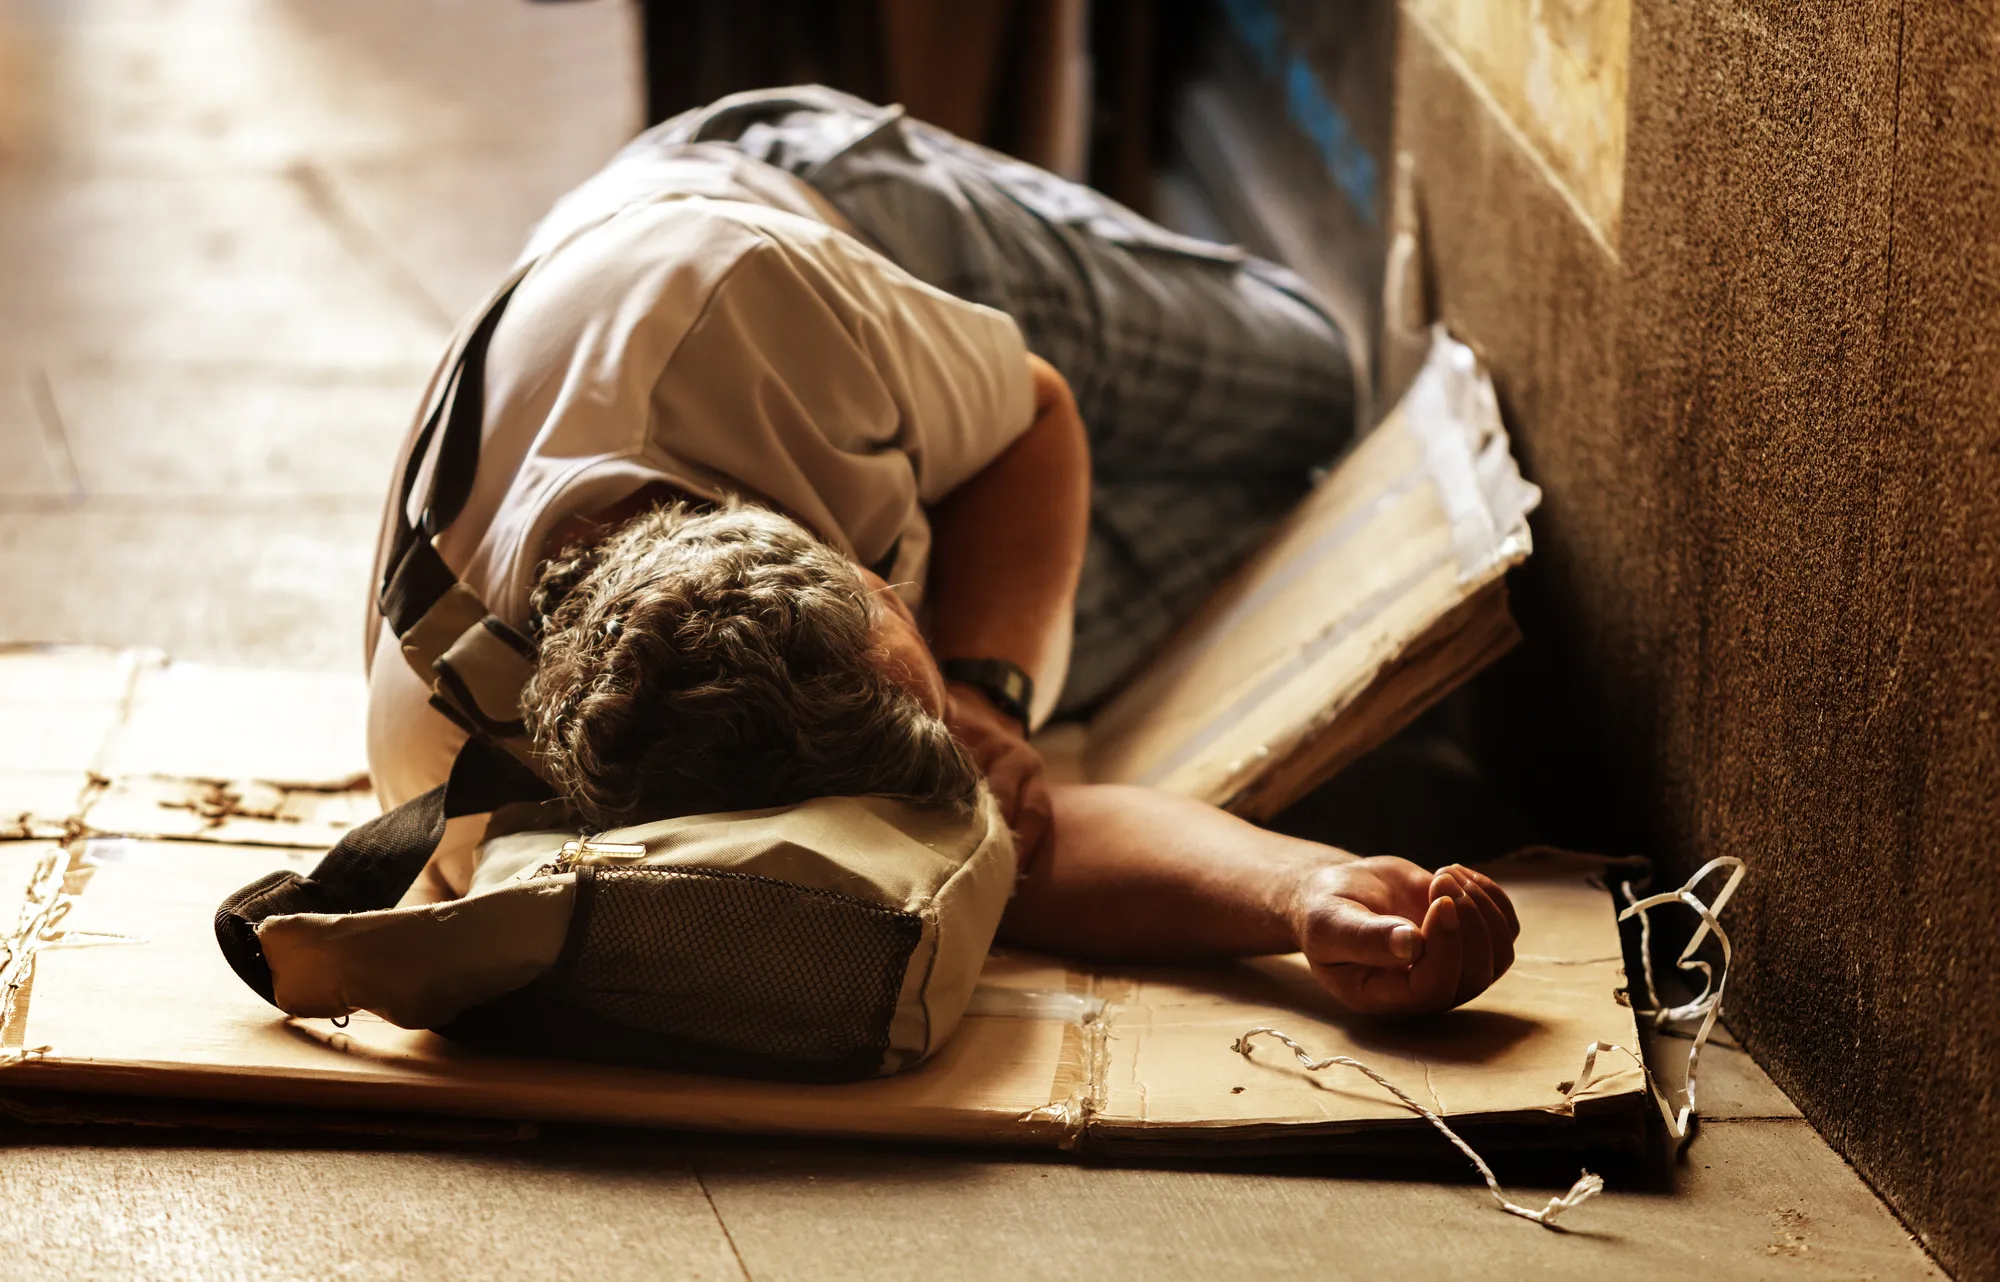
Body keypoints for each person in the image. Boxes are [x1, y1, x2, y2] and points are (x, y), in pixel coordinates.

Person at [365, 87, 1518, 1016]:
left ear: (823, 536)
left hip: (805, 208)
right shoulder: (461, 779)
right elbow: (1011, 844)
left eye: (905, 615)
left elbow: (1035, 417)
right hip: (785, 407)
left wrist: (986, 688)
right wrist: (1302, 894)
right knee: (1286, 522)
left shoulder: (759, 307)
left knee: (1310, 392)